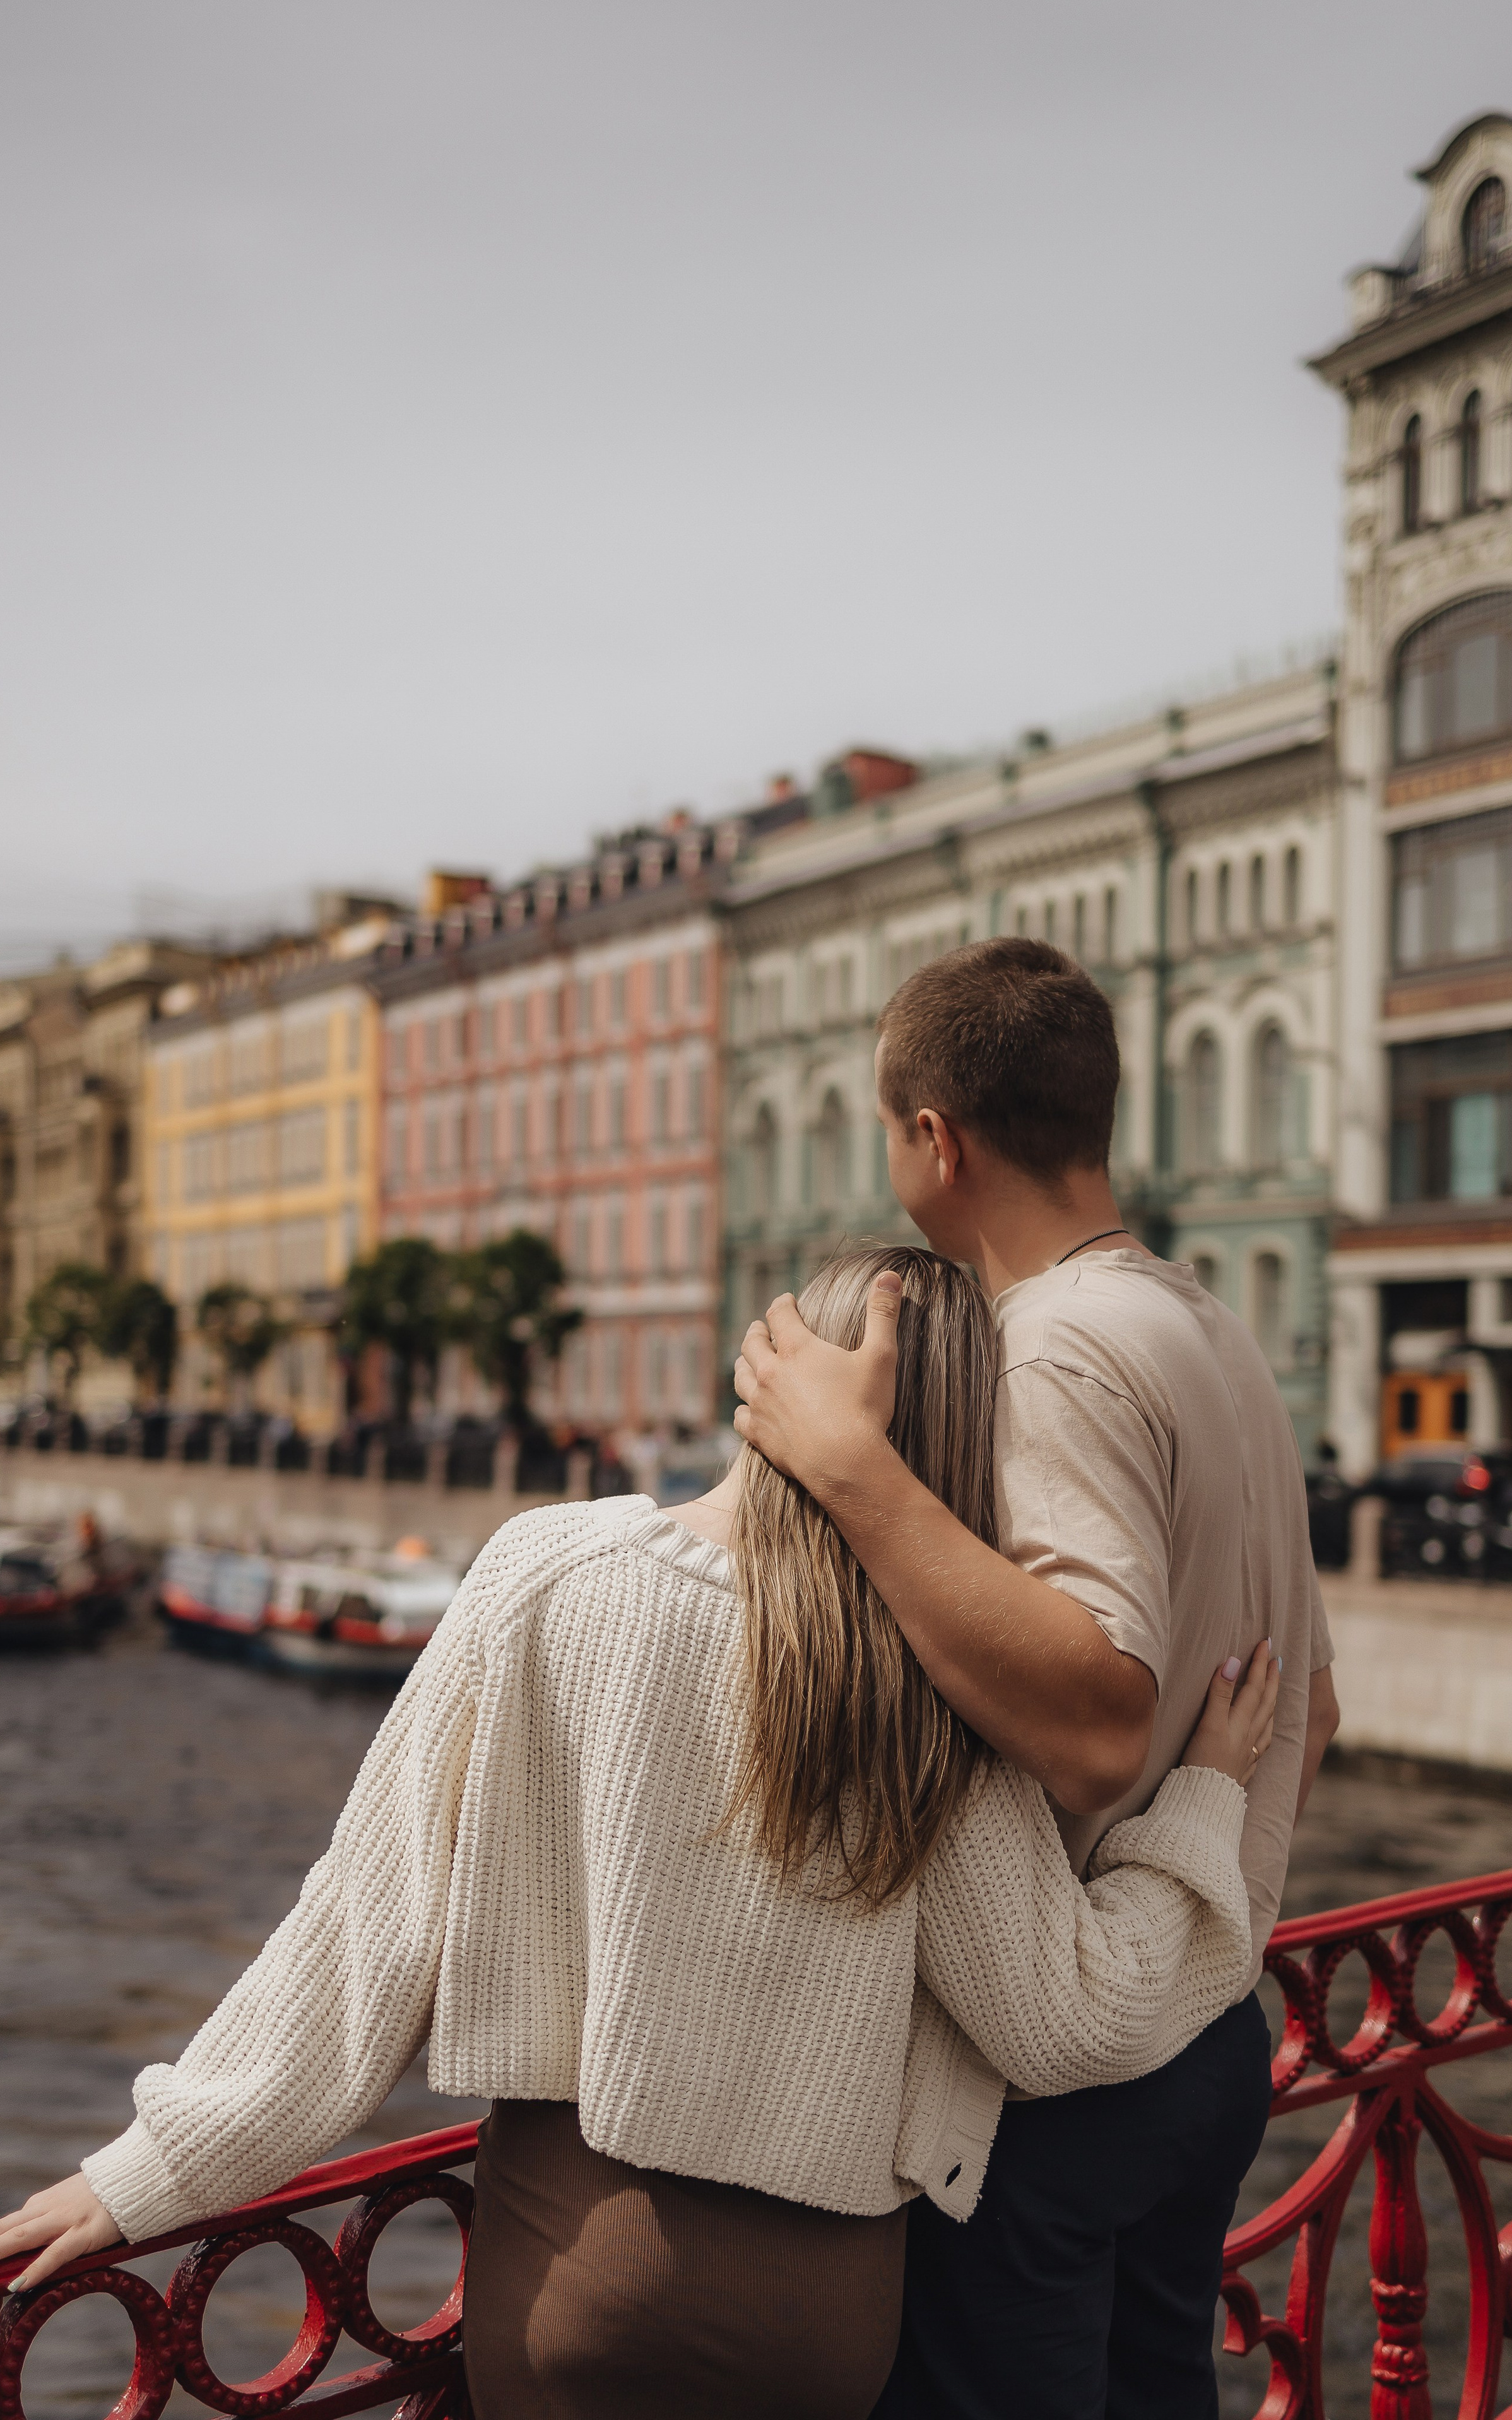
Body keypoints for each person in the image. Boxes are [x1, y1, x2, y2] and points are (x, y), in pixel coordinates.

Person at [1, 1244, 1279, 2420]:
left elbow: (363, 1932)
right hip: (820, 2318)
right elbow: (1064, 2017)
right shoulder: (932, 1687)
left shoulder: (549, 1570)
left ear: (764, 1375)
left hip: (577, 2276)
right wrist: (1206, 1799)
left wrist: (143, 2177)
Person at [733, 940, 1341, 2420]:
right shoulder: (1212, 1328)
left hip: (1063, 2083)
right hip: (1206, 2042)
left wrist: (846, 1471)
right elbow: (1310, 1709)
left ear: (933, 1140)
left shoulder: (1050, 1349)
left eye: (889, 1132)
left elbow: (1094, 1714)